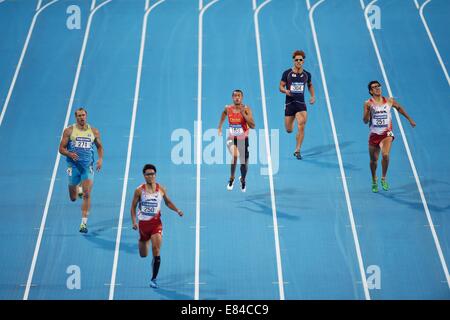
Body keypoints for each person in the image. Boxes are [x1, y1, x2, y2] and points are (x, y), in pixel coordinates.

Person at [130, 164, 184, 288]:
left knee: (156, 250)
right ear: (144, 176)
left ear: (155, 175)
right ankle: (144, 240)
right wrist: (134, 222)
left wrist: (177, 210)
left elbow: (168, 202)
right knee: (143, 254)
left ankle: (153, 278)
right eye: (148, 174)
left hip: (156, 224)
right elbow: (132, 207)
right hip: (143, 225)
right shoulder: (139, 190)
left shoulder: (161, 189)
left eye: (153, 174)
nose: (151, 176)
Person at [363, 81, 416, 192]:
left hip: (387, 133)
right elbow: (365, 121)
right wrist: (368, 111)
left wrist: (409, 119)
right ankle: (374, 180)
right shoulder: (368, 103)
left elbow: (399, 108)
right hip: (374, 134)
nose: (377, 88)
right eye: (374, 87)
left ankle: (383, 178)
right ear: (371, 91)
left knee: (385, 155)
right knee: (373, 161)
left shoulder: (389, 100)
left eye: (378, 86)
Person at [59, 107, 103, 233]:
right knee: (73, 198)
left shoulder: (93, 131)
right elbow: (61, 149)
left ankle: (83, 223)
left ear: (86, 116)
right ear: (75, 117)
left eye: (83, 115)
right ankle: (77, 188)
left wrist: (100, 159)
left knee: (87, 193)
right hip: (72, 167)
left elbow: (100, 147)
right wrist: (69, 154)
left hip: (87, 167)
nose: (81, 117)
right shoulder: (69, 131)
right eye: (79, 115)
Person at [279, 50, 315, 159]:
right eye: (296, 60)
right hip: (290, 103)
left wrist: (312, 96)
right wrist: (285, 91)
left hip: (300, 104)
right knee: (289, 130)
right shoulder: (287, 73)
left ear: (303, 61)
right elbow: (280, 87)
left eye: (300, 60)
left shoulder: (307, 74)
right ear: (293, 61)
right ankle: (293, 118)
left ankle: (298, 149)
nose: (298, 61)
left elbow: (310, 85)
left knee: (302, 125)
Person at [218, 89, 255, 192]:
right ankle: (231, 178)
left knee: (244, 165)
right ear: (232, 98)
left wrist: (244, 115)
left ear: (242, 98)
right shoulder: (228, 108)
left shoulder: (246, 109)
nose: (237, 97)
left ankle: (243, 179)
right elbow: (223, 114)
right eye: (235, 96)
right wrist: (220, 127)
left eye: (239, 96)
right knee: (235, 155)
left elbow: (253, 125)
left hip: (243, 140)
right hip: (232, 139)